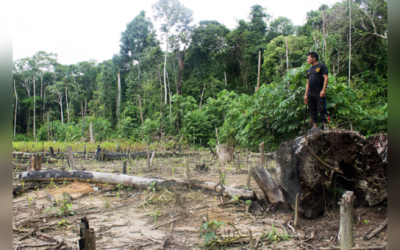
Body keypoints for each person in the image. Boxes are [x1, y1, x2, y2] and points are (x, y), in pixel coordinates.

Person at [304, 52, 329, 131]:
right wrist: (306, 95)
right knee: (312, 109)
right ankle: (314, 127)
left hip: (319, 92)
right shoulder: (308, 70)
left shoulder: (322, 66)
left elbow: (326, 78)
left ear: (314, 58)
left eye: (308, 58)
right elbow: (307, 83)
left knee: (322, 109)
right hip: (310, 93)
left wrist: (323, 90)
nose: (307, 60)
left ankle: (325, 126)